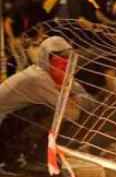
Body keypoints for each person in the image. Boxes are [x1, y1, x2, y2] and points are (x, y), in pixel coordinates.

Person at [0, 36, 94, 167]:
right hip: (3, 128)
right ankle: (17, 157)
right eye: (59, 61)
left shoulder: (58, 75)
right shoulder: (38, 78)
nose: (65, 66)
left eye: (68, 61)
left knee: (56, 109)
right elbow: (70, 114)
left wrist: (73, 98)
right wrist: (70, 99)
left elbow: (90, 102)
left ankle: (38, 154)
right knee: (50, 111)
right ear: (46, 60)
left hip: (10, 124)